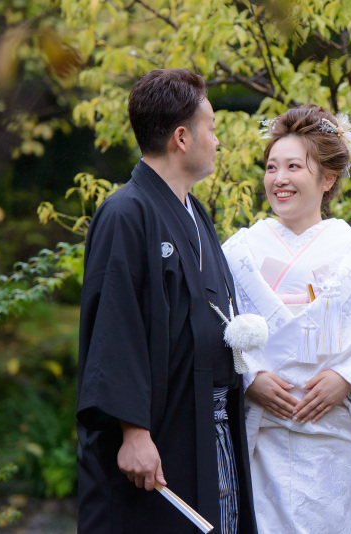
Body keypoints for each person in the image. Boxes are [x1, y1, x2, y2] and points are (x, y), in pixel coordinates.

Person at [221, 104, 351, 534]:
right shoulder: (238, 252)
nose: (279, 178)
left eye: (294, 166)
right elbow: (210, 326)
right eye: (271, 167)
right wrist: (249, 376)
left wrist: (348, 377)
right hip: (263, 439)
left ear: (327, 179)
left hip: (338, 448)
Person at [76, 68, 257, 534]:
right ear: (182, 137)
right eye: (211, 128)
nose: (217, 140)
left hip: (210, 425)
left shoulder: (195, 212)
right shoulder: (125, 212)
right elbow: (115, 327)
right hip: (159, 430)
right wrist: (133, 431)